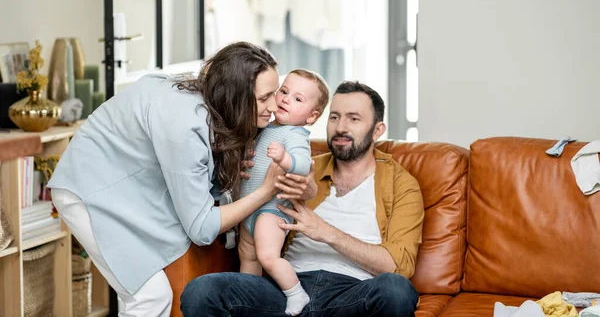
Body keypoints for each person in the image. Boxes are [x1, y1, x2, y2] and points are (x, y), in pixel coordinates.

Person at [48, 42, 317, 317]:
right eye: (264, 98)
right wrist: (263, 191)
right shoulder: (184, 124)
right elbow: (201, 228)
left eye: (276, 92)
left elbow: (202, 178)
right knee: (149, 297)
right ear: (235, 94)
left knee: (154, 295)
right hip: (88, 187)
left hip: (127, 184)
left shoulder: (209, 103)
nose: (274, 106)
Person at [181, 81, 425, 316]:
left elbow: (398, 265)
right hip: (285, 290)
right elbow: (254, 202)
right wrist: (242, 175)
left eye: (354, 118)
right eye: (334, 117)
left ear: (377, 130)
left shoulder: (401, 184)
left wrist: (324, 231)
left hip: (351, 294)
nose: (341, 127)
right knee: (202, 290)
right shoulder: (300, 166)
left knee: (396, 290)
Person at [238, 69, 329, 316]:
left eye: (298, 99)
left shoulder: (295, 135)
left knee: (267, 256)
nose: (286, 99)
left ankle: (296, 293)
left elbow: (302, 164)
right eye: (284, 91)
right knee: (248, 258)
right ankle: (249, 301)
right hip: (248, 210)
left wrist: (285, 158)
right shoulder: (264, 126)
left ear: (311, 116)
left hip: (272, 210)